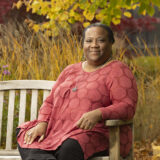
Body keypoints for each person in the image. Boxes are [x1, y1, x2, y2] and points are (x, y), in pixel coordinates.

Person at [16, 23, 138, 160]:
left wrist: (99, 113)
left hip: (97, 133)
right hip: (57, 131)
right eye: (89, 40)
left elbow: (127, 107)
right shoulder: (70, 70)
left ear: (111, 43)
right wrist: (42, 123)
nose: (94, 45)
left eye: (101, 40)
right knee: (27, 135)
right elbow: (50, 102)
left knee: (69, 148)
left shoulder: (117, 70)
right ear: (83, 44)